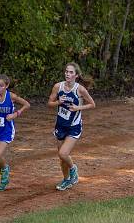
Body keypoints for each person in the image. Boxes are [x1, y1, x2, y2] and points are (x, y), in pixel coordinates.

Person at [48, 62, 95, 191]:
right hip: (60, 125)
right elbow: (49, 103)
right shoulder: (58, 86)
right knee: (61, 158)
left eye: (71, 72)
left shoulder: (80, 89)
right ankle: (66, 180)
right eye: (66, 72)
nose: (68, 74)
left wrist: (77, 108)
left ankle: (73, 169)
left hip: (74, 126)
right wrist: (58, 102)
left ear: (76, 75)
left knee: (64, 153)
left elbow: (92, 104)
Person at [0, 74, 30, 191]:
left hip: (6, 130)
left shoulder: (11, 96)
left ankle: (6, 169)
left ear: (6, 86)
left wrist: (16, 114)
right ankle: (4, 179)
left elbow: (27, 104)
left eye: (1, 86)